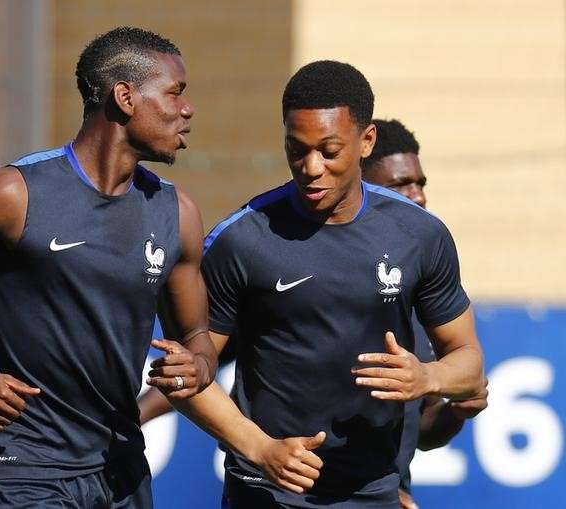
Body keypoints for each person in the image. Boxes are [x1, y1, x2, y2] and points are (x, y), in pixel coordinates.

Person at [0, 27, 222, 509]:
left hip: (120, 466)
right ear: (125, 97)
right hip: (25, 466)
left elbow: (199, 333)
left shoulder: (176, 212)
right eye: (175, 93)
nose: (187, 109)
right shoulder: (11, 194)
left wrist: (198, 364)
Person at [161, 61, 485, 508]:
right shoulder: (242, 239)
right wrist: (259, 448)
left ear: (365, 141)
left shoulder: (419, 235)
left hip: (372, 491)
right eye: (297, 149)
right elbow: (187, 376)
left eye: (329, 151)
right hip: (266, 489)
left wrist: (428, 376)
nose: (311, 167)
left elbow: (468, 362)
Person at [361, 118, 488, 509]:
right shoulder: (320, 282)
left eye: (420, 183)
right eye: (400, 185)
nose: (417, 196)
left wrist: (456, 413)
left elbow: (421, 429)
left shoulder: (418, 288)